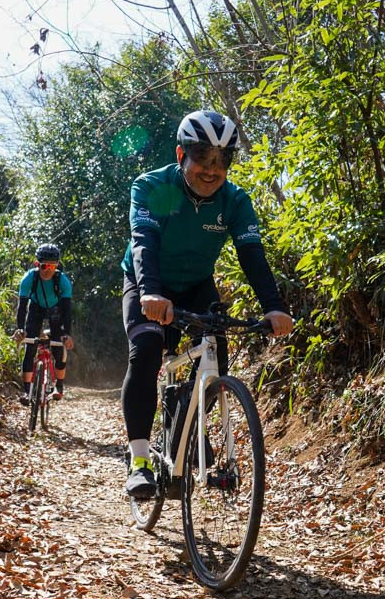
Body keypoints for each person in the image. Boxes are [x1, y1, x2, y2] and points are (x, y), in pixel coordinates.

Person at [120, 109, 294, 499]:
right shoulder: (151, 187)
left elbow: (252, 255)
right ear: (182, 155)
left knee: (216, 355)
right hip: (147, 281)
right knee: (147, 349)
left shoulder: (234, 201)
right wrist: (150, 292)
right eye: (202, 157)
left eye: (222, 160)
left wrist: (273, 306)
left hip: (197, 284)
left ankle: (187, 430)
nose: (212, 169)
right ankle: (140, 461)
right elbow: (142, 242)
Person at [12, 243, 74, 405]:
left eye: (53, 266)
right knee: (30, 346)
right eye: (45, 266)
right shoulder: (29, 278)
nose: (49, 270)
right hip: (36, 308)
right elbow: (22, 307)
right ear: (37, 264)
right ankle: (27, 391)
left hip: (56, 310)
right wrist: (20, 329)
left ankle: (58, 387)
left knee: (58, 347)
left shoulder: (63, 281)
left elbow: (67, 311)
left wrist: (67, 334)